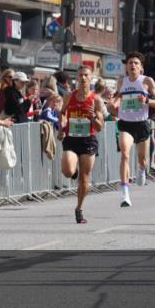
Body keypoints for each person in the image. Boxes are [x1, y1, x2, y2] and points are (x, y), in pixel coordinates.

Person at [111, 51, 155, 208]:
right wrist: (113, 103)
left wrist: (147, 100)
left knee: (142, 159)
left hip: (141, 124)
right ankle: (125, 194)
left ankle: (142, 169)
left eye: (136, 63)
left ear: (141, 68)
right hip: (126, 124)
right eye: (130, 63)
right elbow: (118, 97)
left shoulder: (147, 81)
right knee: (125, 155)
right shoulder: (122, 81)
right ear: (126, 67)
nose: (132, 65)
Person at [59, 65, 105, 224]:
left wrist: (93, 118)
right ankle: (74, 170)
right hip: (71, 139)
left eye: (86, 75)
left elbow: (100, 127)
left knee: (84, 179)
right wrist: (61, 127)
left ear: (91, 78)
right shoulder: (68, 96)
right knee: (67, 171)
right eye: (80, 75)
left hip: (88, 140)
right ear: (77, 78)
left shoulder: (96, 99)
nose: (83, 78)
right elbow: (62, 112)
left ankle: (79, 208)